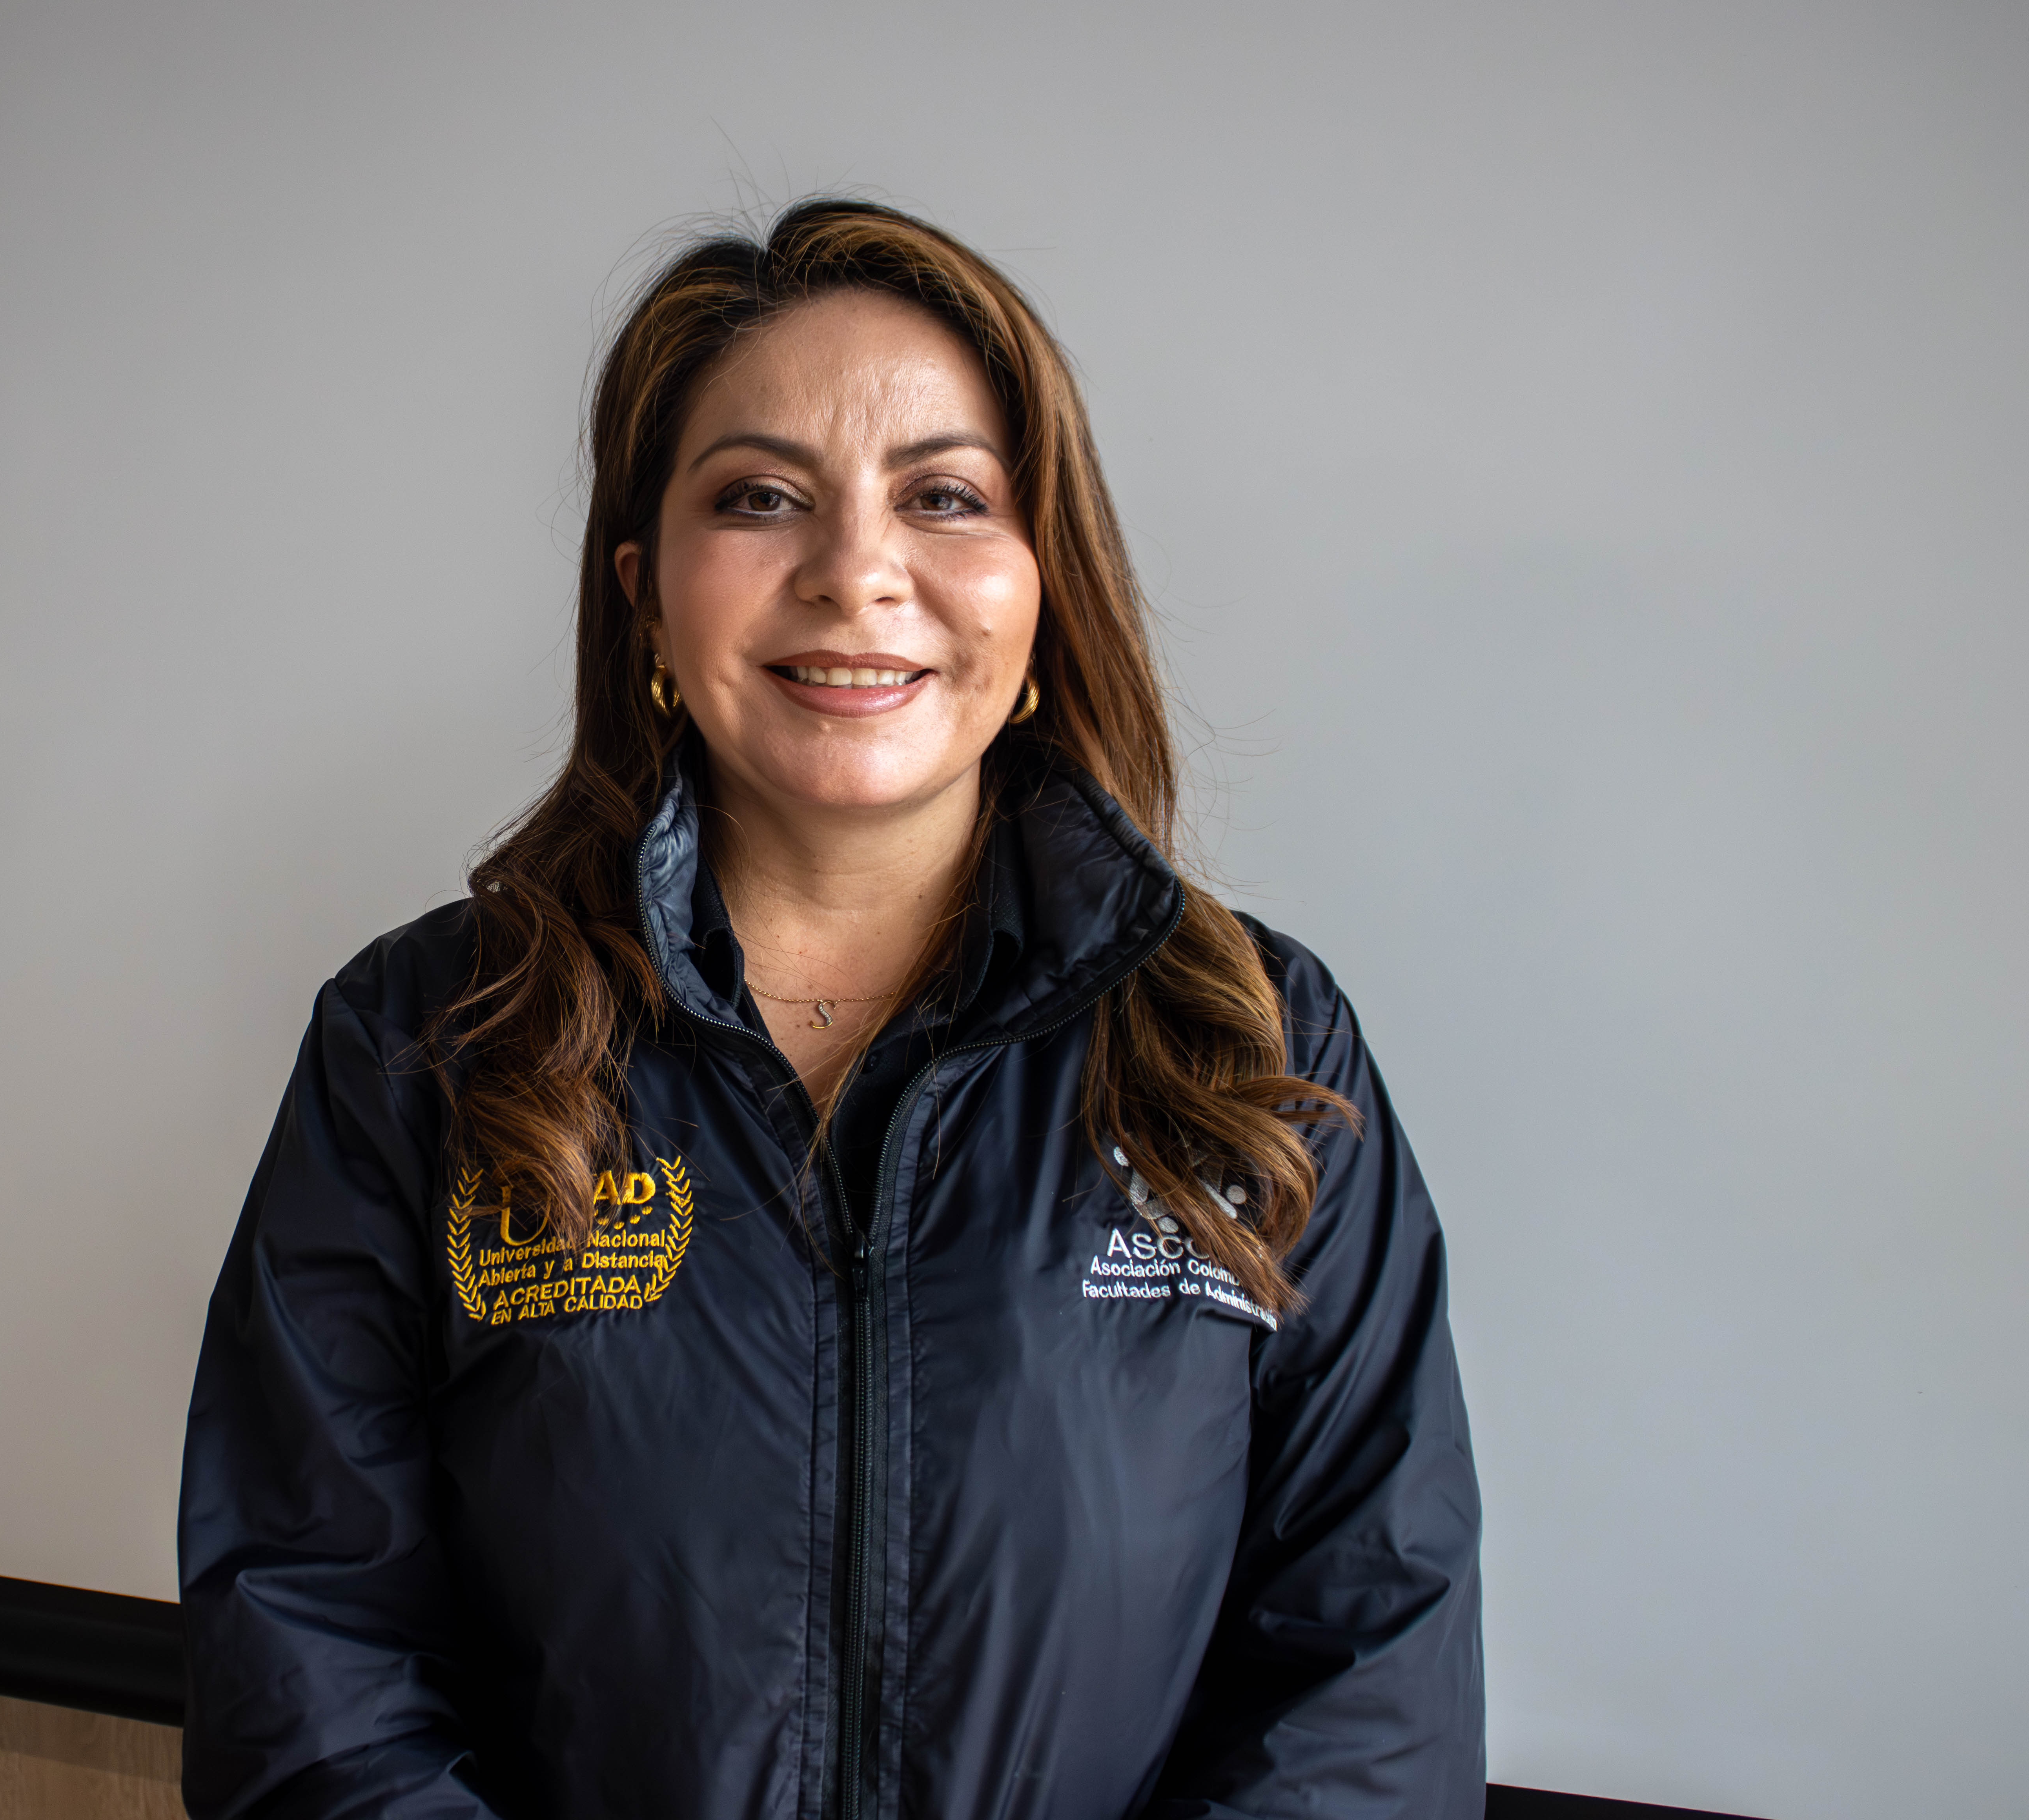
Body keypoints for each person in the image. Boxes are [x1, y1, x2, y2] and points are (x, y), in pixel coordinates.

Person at [177, 199, 1482, 1820]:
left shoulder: (1249, 1045)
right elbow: (308, 1649)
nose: (857, 571)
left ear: (1043, 587)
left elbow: (1370, 1666)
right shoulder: (426, 1044)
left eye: (945, 496)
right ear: (648, 594)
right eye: (760, 497)